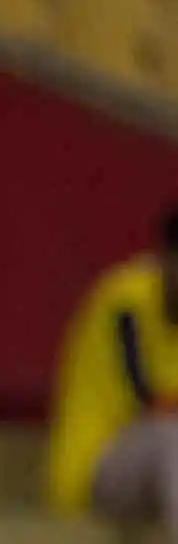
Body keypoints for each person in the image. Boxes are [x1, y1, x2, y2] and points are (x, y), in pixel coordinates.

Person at [48, 207, 178, 533]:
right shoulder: (126, 301)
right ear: (165, 259)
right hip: (100, 465)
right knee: (171, 437)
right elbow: (148, 399)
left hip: (160, 478)